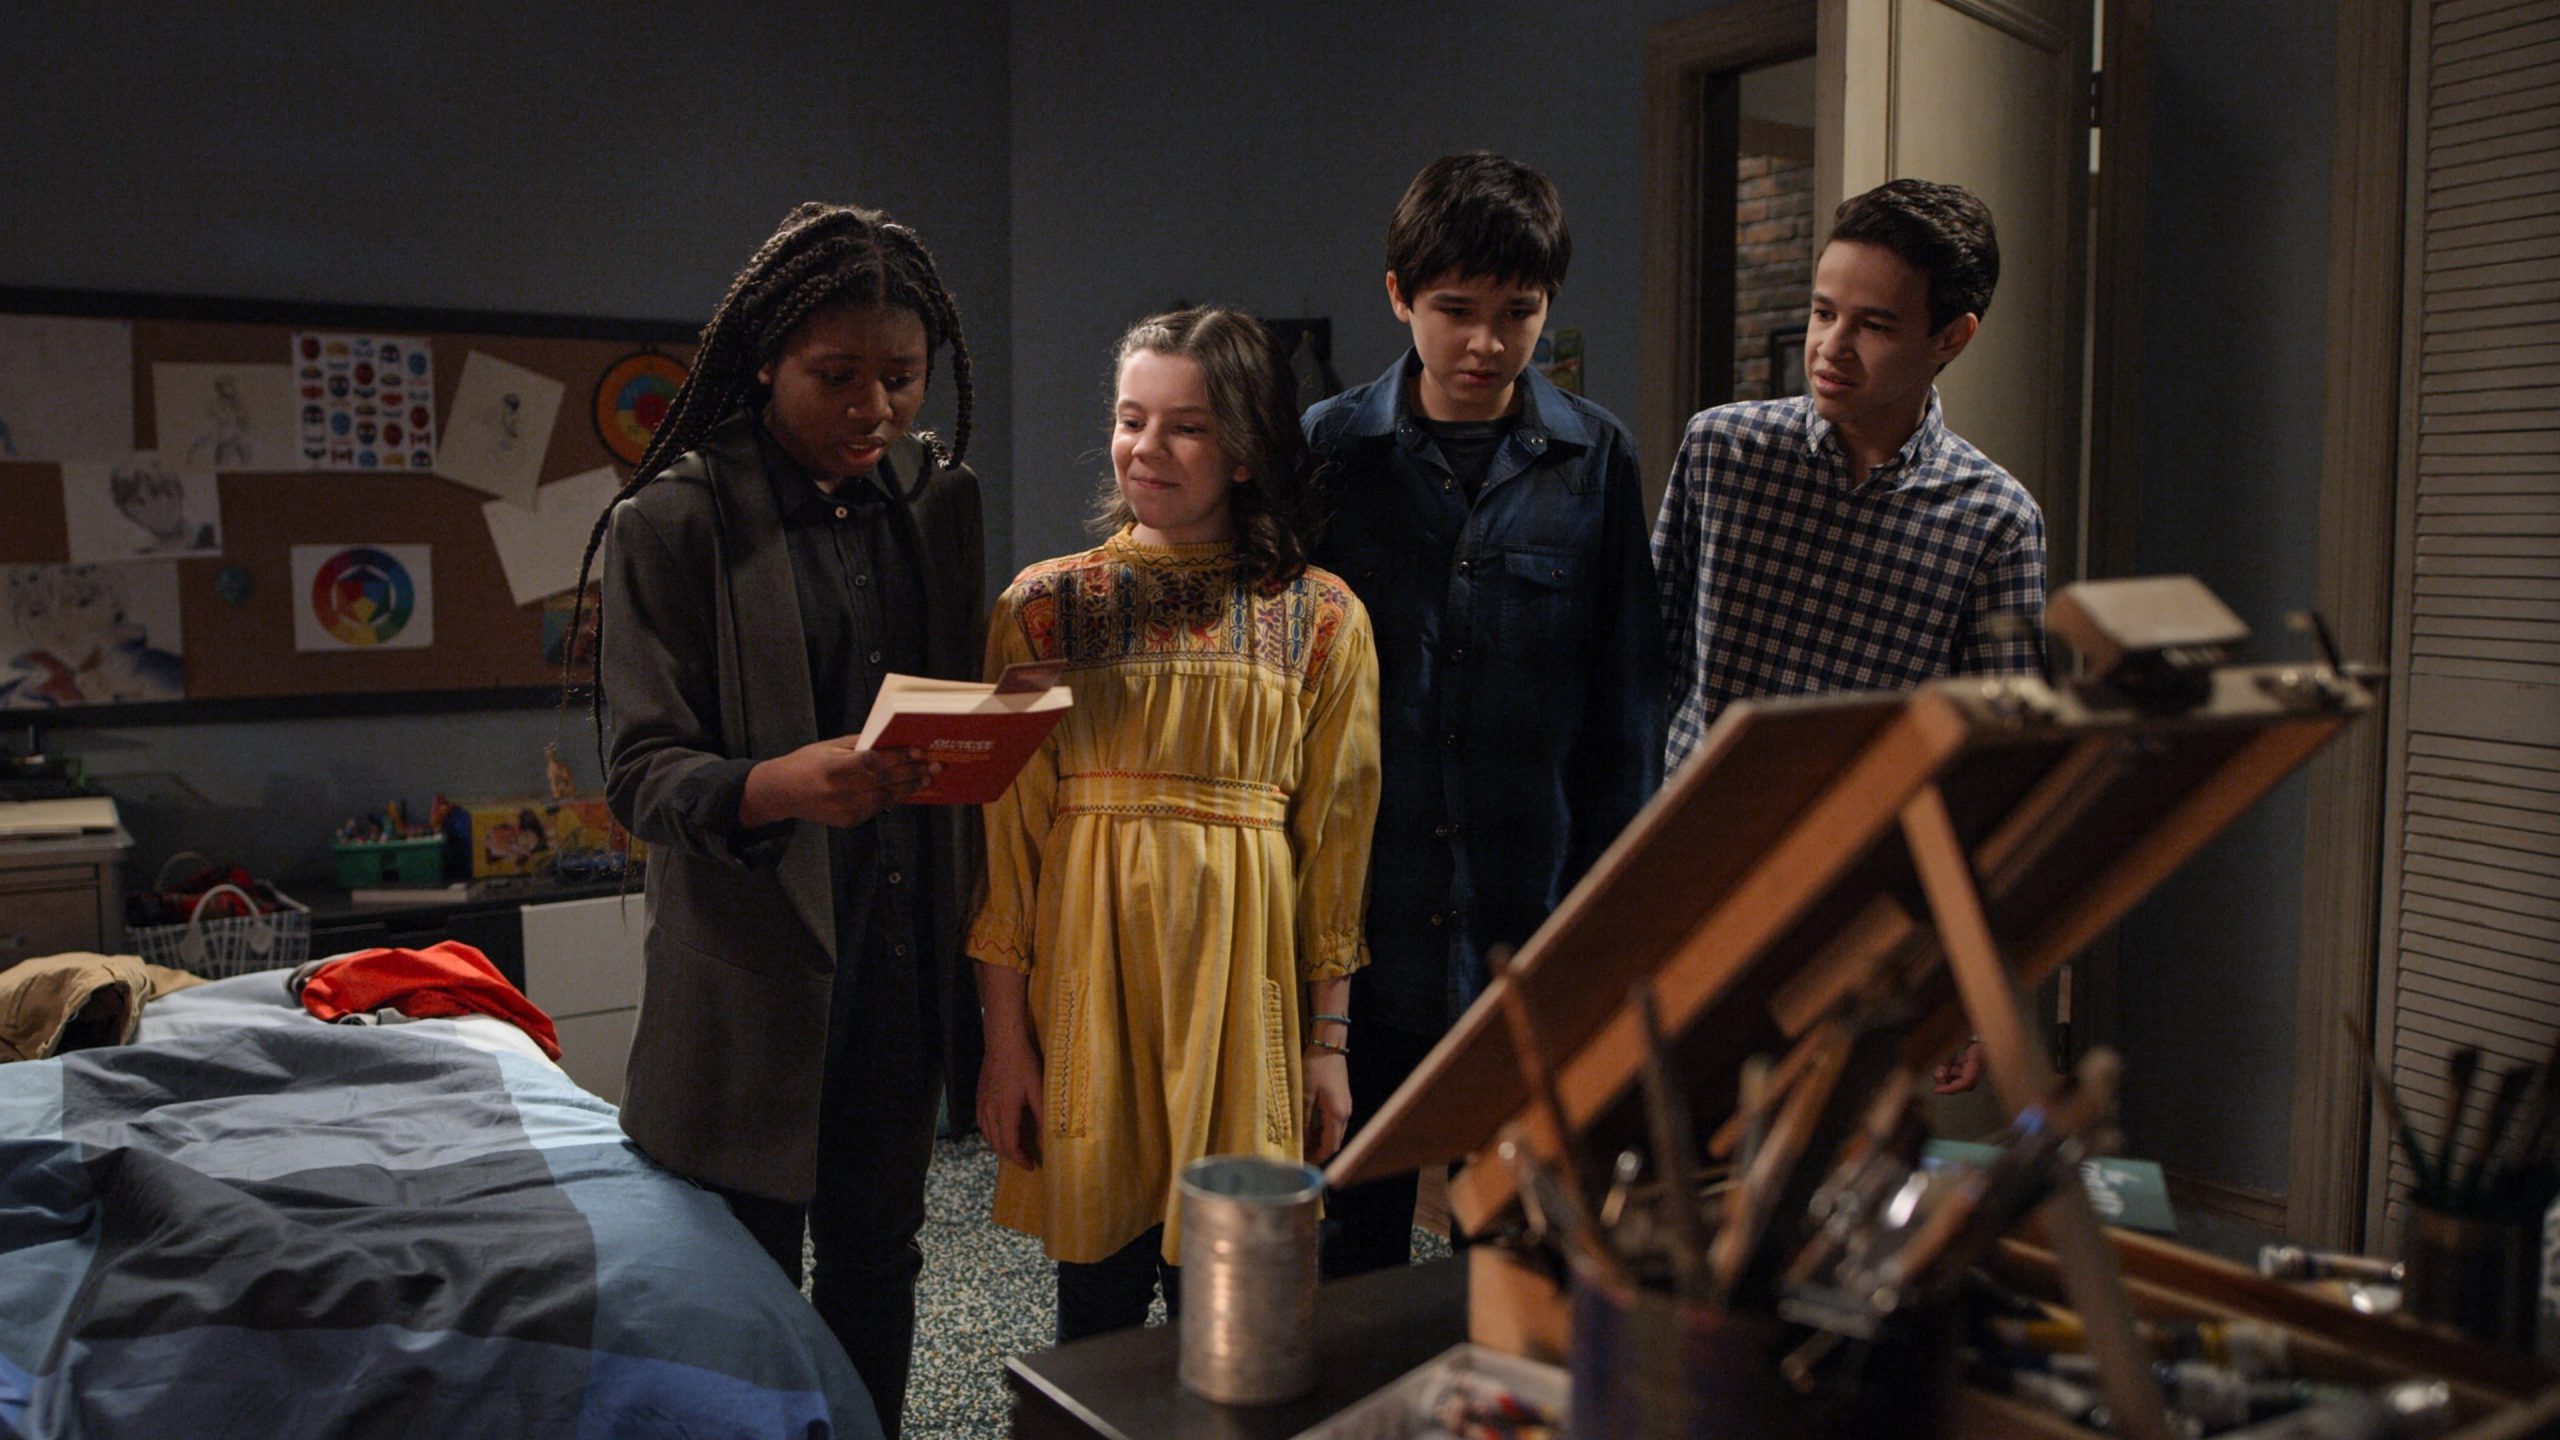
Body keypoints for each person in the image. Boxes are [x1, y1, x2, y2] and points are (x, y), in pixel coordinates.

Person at [576, 201, 985, 1439]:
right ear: (765, 361)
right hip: (750, 978)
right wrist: (778, 785)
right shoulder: (674, 521)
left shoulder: (938, 502)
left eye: (901, 377)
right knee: (734, 1288)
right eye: (837, 377)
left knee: (879, 1262)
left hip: (899, 963)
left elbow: (952, 705)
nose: (875, 410)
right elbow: (641, 773)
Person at [971, 307, 1380, 1342]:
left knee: (1233, 1318)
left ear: (1243, 450)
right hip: (1090, 991)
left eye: (1186, 427)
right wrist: (1004, 1045)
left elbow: (1336, 851)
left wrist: (1328, 1044)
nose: (1147, 448)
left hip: (1243, 1003)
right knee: (1097, 1315)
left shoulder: (1323, 619)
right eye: (1130, 419)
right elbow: (1007, 855)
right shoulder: (1041, 610)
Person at [1302, 152, 1666, 1278]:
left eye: (1518, 313)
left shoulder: (1596, 459)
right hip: (1364, 916)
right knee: (1350, 1226)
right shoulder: (1328, 451)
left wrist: (1608, 919)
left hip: (1526, 909)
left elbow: (1626, 710)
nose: (1486, 343)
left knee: (1511, 1236)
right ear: (1399, 295)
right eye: (1456, 311)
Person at [1652, 178, 2046, 1098]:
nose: (1831, 347)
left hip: (1861, 919)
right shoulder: (1722, 452)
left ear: (1952, 338)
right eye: (1824, 311)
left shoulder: (1993, 519)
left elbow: (1998, 772)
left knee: (1825, 1164)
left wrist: (1966, 978)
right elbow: (1644, 671)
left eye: (1873, 325)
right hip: (1688, 885)